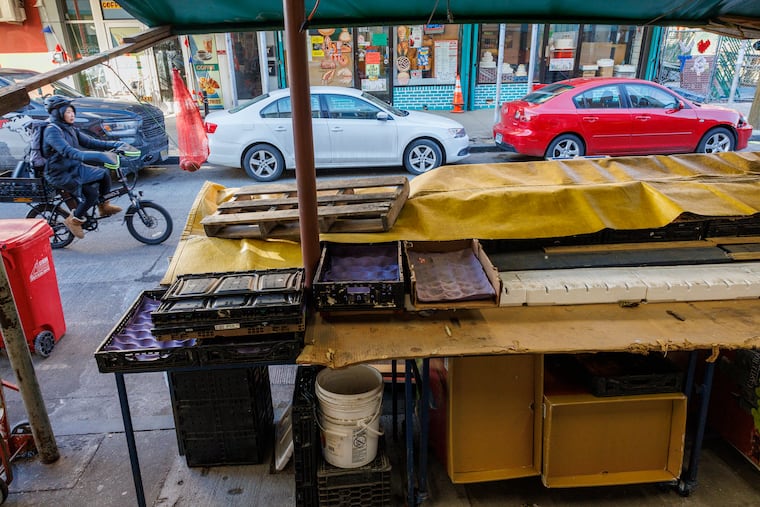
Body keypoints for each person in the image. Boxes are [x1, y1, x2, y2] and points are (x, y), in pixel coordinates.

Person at [41, 96, 133, 239]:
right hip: (60, 173)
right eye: (67, 112)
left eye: (72, 111)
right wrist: (93, 156)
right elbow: (67, 151)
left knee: (103, 174)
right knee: (91, 195)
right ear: (57, 113)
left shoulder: (70, 128)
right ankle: (74, 221)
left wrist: (115, 144)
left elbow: (91, 142)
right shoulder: (52, 131)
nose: (72, 115)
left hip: (73, 167)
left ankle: (103, 206)